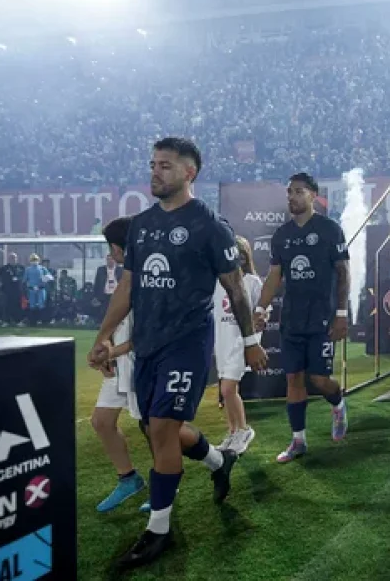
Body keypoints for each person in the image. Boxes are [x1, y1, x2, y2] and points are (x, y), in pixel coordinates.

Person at [87, 137, 267, 569]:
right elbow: (128, 285)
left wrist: (249, 342)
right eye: (153, 164)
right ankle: (218, 461)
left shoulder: (210, 226)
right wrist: (104, 336)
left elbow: (236, 289)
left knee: (163, 431)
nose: (155, 172)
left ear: (190, 173)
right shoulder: (142, 225)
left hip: (186, 345)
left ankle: (158, 531)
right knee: (153, 427)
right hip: (147, 345)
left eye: (165, 166)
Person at [254, 172, 350, 463]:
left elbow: (343, 273)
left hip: (322, 318)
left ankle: (338, 404)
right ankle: (298, 441)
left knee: (319, 380)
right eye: (289, 192)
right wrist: (260, 309)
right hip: (292, 320)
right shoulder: (282, 235)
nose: (292, 197)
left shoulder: (329, 229)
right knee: (293, 378)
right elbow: (274, 276)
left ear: (313, 195)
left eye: (298, 191)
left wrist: (341, 314)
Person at [92, 216, 145, 513]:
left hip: (143, 364)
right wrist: (106, 348)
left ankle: (213, 459)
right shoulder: (126, 277)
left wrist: (110, 353)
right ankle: (129, 479)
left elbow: (147, 336)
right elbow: (117, 320)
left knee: (157, 429)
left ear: (116, 248)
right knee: (101, 421)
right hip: (121, 364)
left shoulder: (148, 277)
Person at [213, 235, 263, 454]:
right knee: (227, 391)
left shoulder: (252, 282)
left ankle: (244, 430)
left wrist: (260, 320)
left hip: (241, 343)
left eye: (240, 255)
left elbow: (262, 313)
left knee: (228, 388)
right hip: (221, 342)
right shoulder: (216, 282)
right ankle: (233, 432)